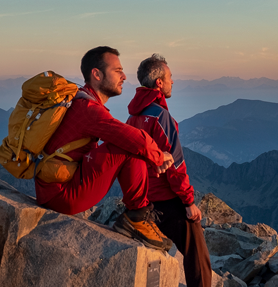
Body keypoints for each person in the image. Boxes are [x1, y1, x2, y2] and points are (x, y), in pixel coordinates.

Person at [33, 45, 176, 251]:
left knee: (129, 144)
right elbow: (129, 137)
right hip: (62, 196)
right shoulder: (88, 109)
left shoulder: (80, 99)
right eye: (117, 71)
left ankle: (137, 215)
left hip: (55, 187)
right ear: (96, 74)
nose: (124, 76)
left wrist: (153, 156)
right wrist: (158, 157)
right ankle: (137, 216)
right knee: (129, 145)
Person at [127, 54, 219, 287]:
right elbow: (175, 164)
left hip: (143, 203)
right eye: (169, 77)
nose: (173, 81)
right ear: (159, 83)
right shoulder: (160, 117)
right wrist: (189, 202)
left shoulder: (134, 116)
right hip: (167, 201)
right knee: (197, 257)